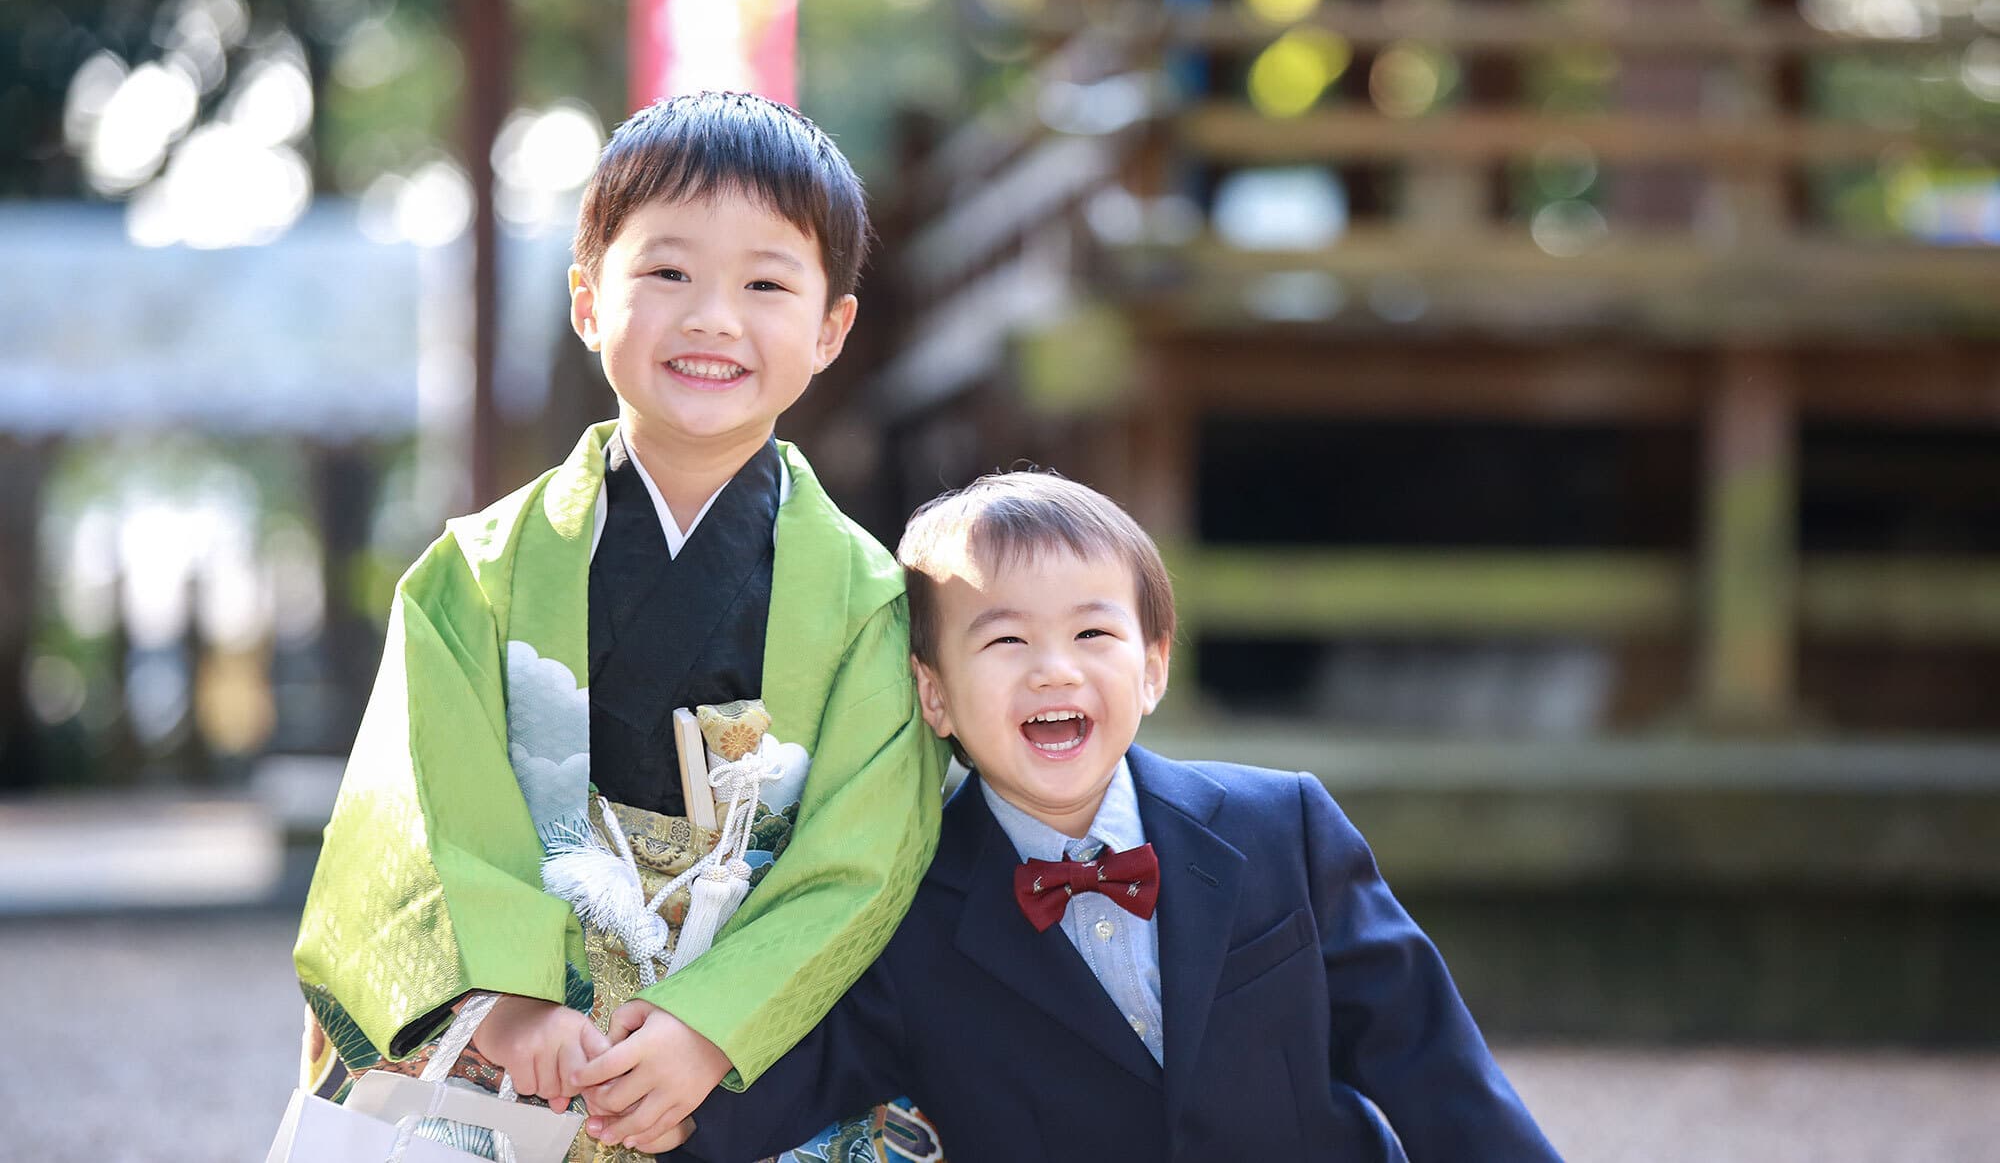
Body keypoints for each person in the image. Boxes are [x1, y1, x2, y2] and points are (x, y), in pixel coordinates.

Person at [293, 91, 947, 1160]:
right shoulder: (476, 574)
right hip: (518, 1045)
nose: (711, 318)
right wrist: (509, 1004)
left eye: (765, 283)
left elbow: (860, 859)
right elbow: (418, 813)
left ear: (831, 329)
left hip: (748, 1048)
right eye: (667, 273)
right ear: (588, 301)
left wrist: (705, 1027)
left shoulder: (869, 600)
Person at [649, 471, 1563, 1162]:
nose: (1055, 669)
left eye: (1093, 634)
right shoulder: (906, 908)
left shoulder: (1281, 826)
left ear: (1154, 666)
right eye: (1005, 640)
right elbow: (776, 1085)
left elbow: (1433, 1063)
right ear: (934, 694)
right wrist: (627, 1081)